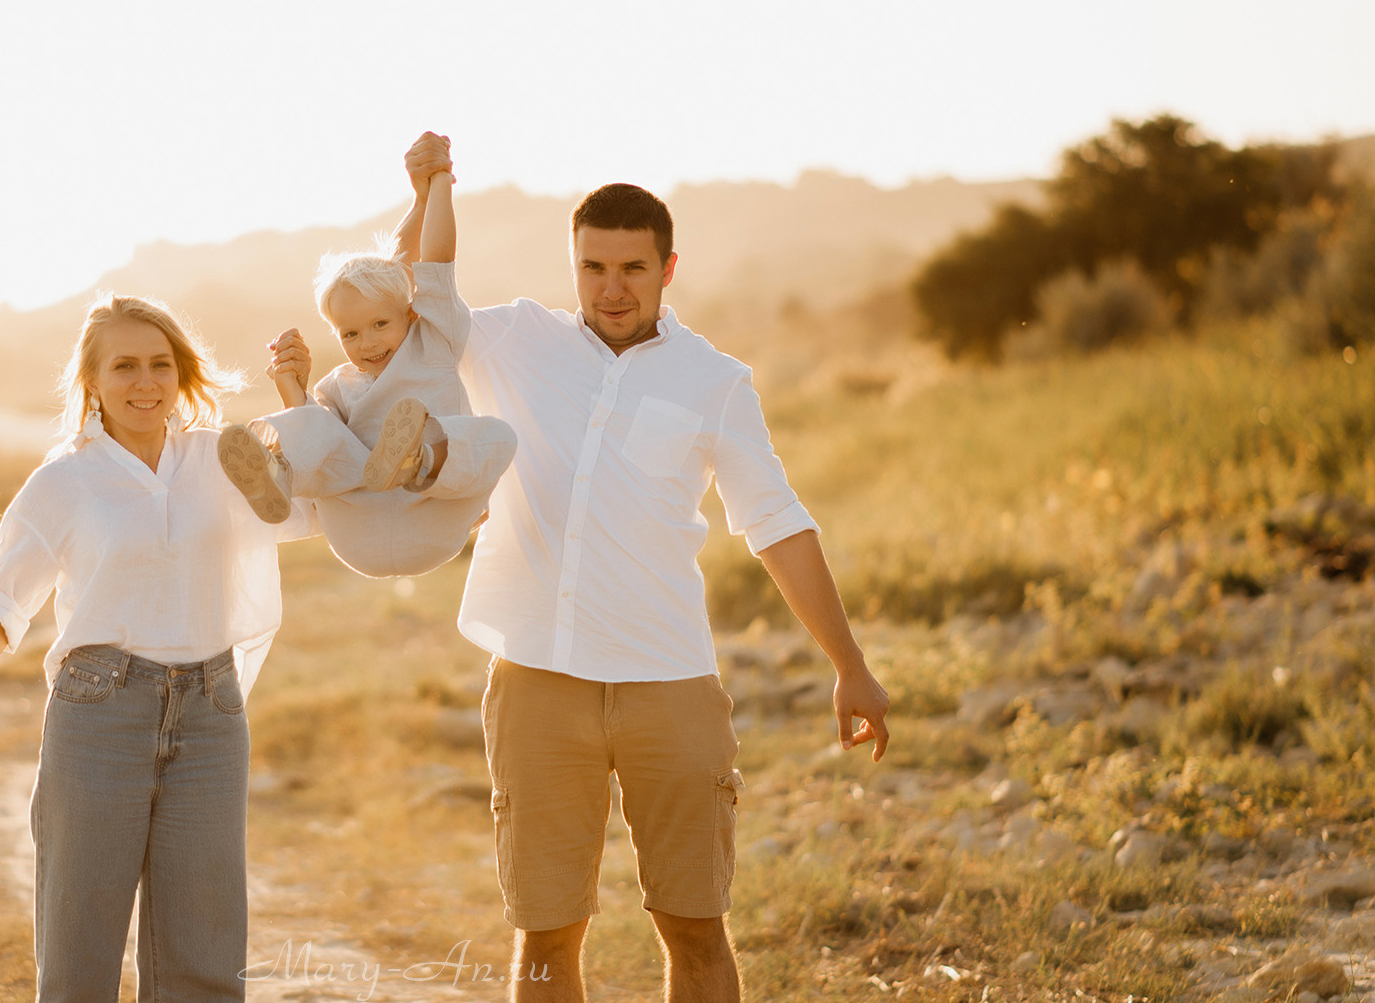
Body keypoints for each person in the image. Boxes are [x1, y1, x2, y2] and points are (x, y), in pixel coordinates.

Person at [429, 136, 891, 1003]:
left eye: (633, 267)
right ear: (573, 262)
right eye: (594, 266)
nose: (612, 287)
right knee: (545, 931)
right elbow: (423, 299)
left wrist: (850, 665)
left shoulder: (714, 380)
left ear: (668, 267)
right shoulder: (515, 342)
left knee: (693, 925)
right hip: (537, 680)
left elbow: (777, 523)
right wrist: (430, 188)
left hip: (669, 682)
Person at [0, 295, 310, 1003]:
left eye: (161, 364)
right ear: (92, 381)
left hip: (212, 713)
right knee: (80, 950)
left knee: (207, 953)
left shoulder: (224, 454)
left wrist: (294, 395)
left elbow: (305, 504)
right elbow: (2, 599)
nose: (146, 381)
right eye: (124, 365)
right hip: (100, 713)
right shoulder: (65, 481)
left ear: (182, 373)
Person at [218, 162, 518, 577]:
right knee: (317, 424)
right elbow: (318, 443)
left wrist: (438, 185)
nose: (368, 343)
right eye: (351, 333)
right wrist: (292, 384)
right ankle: (277, 475)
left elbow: (434, 261)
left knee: (498, 435)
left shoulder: (434, 342)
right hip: (357, 525)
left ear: (412, 314)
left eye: (380, 325)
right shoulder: (338, 385)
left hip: (431, 516)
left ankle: (418, 460)